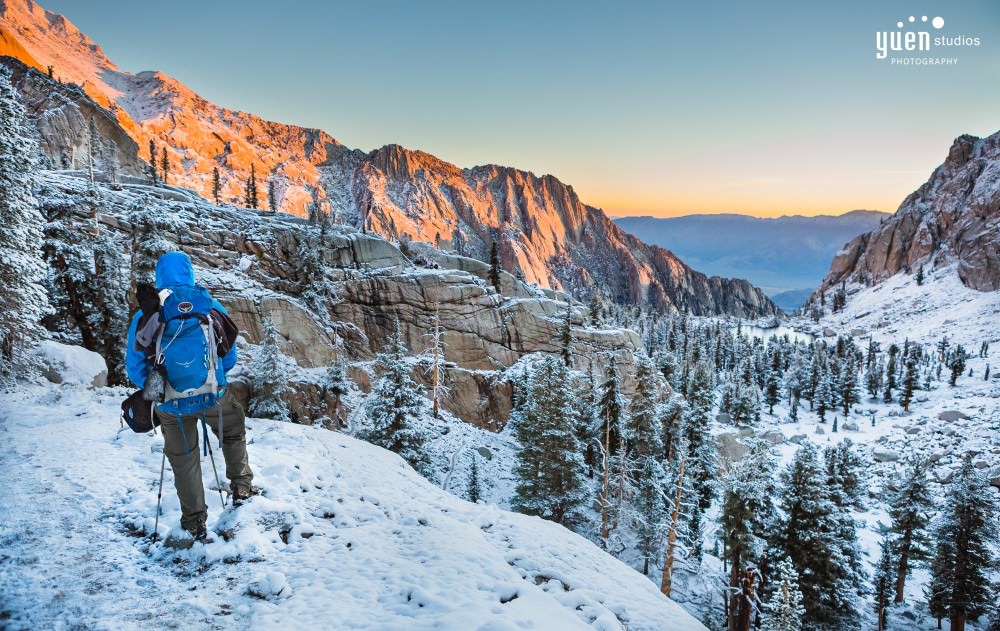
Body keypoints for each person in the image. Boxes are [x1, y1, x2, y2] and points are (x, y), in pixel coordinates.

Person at [126, 251, 254, 541]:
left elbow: (135, 367)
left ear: (160, 277)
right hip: (213, 392)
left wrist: (159, 388)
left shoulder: (146, 313)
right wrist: (212, 376)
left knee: (184, 459)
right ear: (189, 273)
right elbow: (229, 356)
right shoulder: (209, 305)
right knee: (232, 432)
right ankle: (242, 487)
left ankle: (195, 521)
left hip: (170, 402)